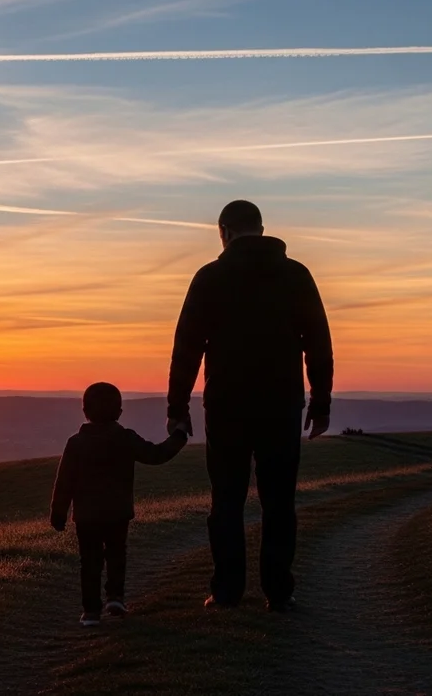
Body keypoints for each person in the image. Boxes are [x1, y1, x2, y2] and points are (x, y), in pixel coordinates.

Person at [166, 200, 334, 613]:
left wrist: (177, 407)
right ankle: (279, 591)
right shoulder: (295, 274)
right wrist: (320, 402)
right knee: (279, 501)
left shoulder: (210, 277)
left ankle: (226, 592)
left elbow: (187, 347)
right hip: (282, 403)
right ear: (260, 229)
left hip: (227, 404)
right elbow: (318, 342)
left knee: (226, 500)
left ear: (223, 232)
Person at [50, 382, 190, 626]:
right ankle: (115, 597)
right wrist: (179, 435)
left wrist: (58, 513)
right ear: (119, 412)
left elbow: (64, 482)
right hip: (118, 512)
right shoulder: (125, 438)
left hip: (86, 516)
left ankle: (91, 612)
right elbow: (156, 455)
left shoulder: (76, 443)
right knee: (116, 554)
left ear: (85, 411)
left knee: (89, 561)